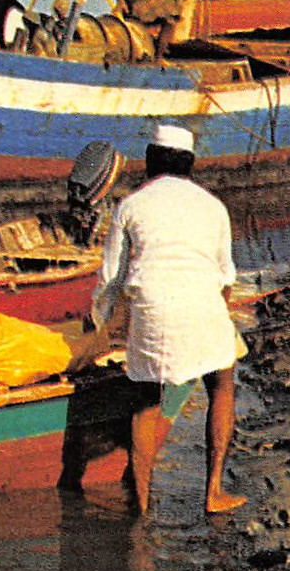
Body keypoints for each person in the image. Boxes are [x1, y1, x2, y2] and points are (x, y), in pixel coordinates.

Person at [89, 123, 247, 517]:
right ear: (190, 164)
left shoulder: (130, 206)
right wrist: (214, 321)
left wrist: (102, 325)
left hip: (153, 312)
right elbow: (226, 279)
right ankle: (213, 492)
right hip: (204, 306)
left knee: (146, 401)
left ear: (149, 163)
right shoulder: (214, 206)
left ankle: (140, 505)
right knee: (222, 383)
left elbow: (111, 279)